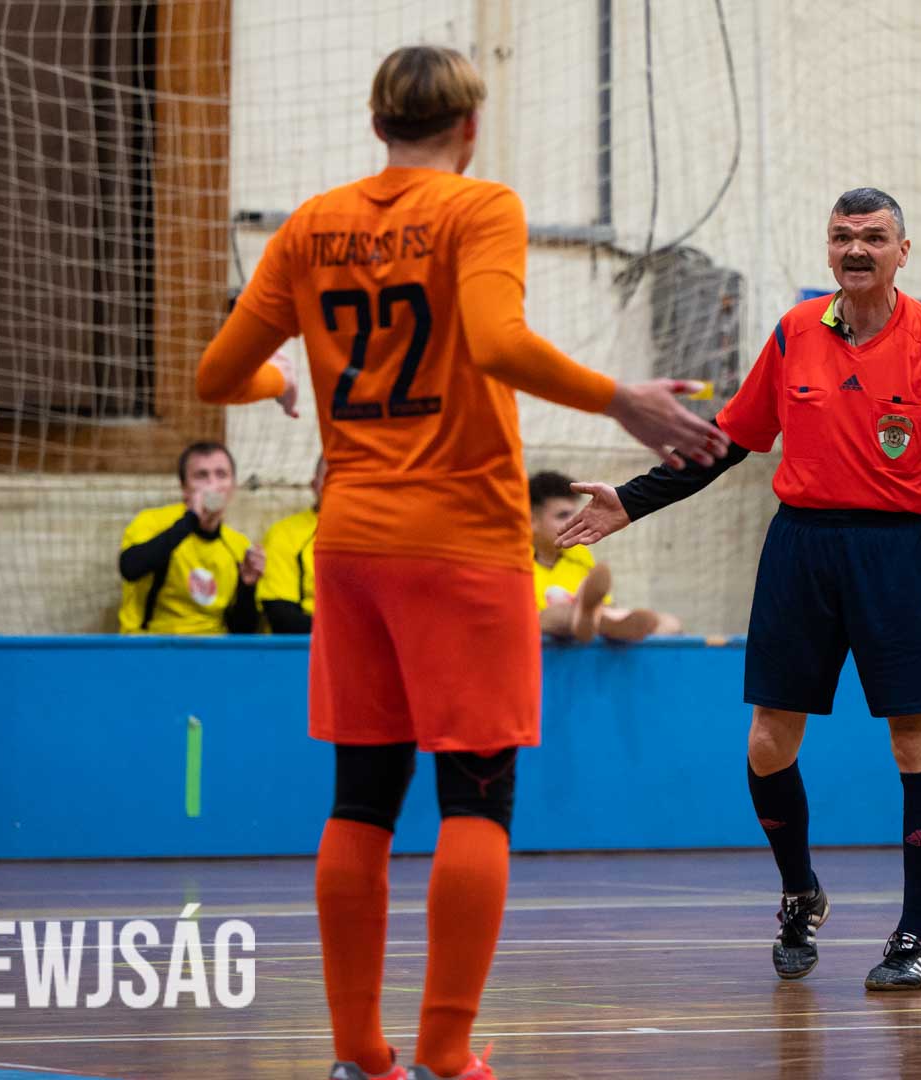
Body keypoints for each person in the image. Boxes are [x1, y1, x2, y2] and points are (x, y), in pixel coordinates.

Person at [192, 45, 726, 1080]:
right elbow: (494, 340)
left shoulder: (310, 225)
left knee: (360, 800)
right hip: (461, 546)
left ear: (375, 123)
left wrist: (277, 384)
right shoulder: (480, 207)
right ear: (470, 128)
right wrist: (620, 399)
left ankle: (359, 1055)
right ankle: (444, 1050)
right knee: (475, 801)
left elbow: (217, 371)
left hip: (352, 545)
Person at [558, 187, 921, 993]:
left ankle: (915, 938)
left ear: (903, 251)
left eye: (872, 236)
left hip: (896, 555)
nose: (855, 249)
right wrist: (629, 500)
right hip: (800, 549)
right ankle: (799, 891)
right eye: (841, 236)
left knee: (915, 741)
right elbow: (728, 440)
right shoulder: (795, 332)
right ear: (828, 249)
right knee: (768, 742)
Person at [117, 441, 265, 635]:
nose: (212, 485)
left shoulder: (238, 545)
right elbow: (130, 568)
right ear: (184, 487)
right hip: (150, 642)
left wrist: (247, 587)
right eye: (201, 476)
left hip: (211, 646)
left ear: (232, 487)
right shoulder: (152, 522)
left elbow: (243, 630)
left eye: (221, 475)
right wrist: (191, 520)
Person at [529, 470, 681, 642]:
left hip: (587, 631)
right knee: (555, 616)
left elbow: (603, 605)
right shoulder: (515, 560)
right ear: (532, 521)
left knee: (669, 623)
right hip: (541, 632)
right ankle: (602, 624)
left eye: (574, 514)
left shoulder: (579, 554)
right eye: (563, 515)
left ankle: (599, 623)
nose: (574, 521)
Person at [259, 456, 325, 635]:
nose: (340, 488)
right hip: (305, 646)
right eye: (331, 478)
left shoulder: (373, 537)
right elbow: (282, 617)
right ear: (314, 485)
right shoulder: (284, 534)